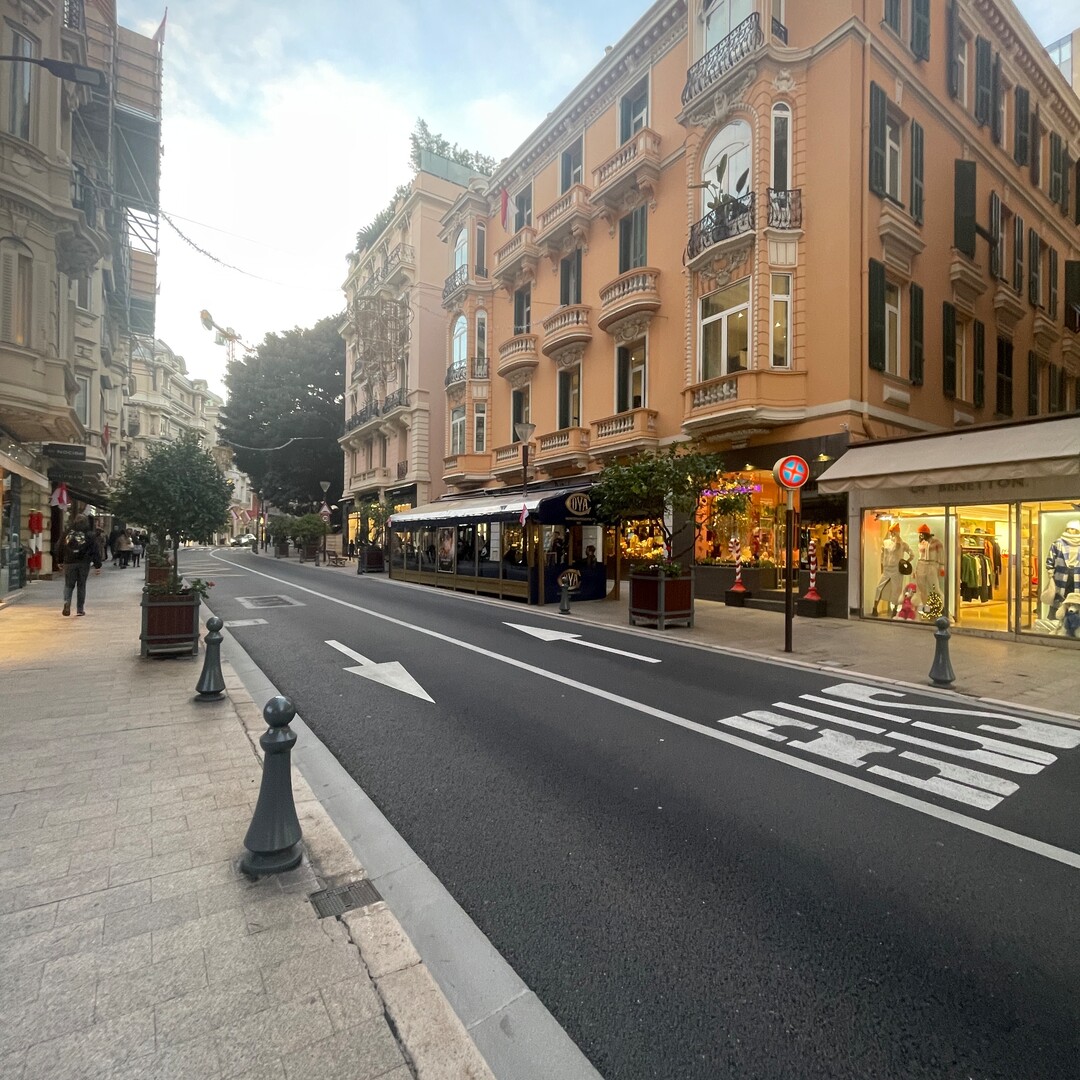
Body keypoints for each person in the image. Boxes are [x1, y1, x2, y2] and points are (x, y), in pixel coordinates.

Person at [58, 513, 102, 617]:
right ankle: (80, 609)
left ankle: (67, 603)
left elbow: (60, 546)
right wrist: (97, 565)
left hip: (69, 562)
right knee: (81, 585)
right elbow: (94, 550)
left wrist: (59, 561)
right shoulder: (89, 534)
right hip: (83, 562)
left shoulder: (67, 533)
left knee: (68, 584)